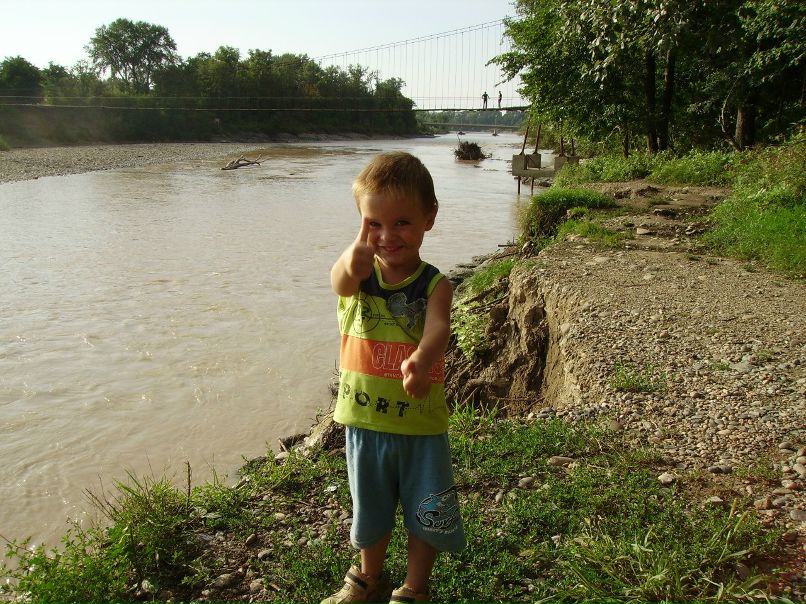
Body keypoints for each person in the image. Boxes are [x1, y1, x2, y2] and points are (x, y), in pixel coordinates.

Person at [323, 152, 466, 604]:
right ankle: (367, 579)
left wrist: (423, 359)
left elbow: (439, 326)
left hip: (419, 425)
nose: (387, 236)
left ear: (430, 218)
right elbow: (339, 281)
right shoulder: (359, 277)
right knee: (371, 510)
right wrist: (352, 255)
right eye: (374, 224)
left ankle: (414, 588)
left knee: (426, 509)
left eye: (402, 222)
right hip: (365, 422)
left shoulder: (434, 284)